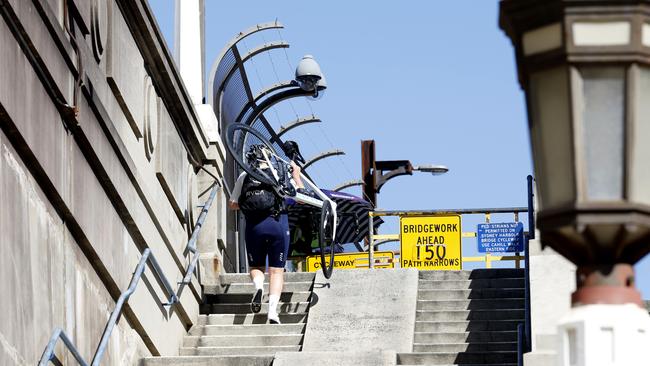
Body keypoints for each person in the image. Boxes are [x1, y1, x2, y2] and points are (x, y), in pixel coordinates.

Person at [229, 145, 304, 324]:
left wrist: (250, 205)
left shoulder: (245, 175)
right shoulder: (278, 173)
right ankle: (272, 312)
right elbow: (300, 195)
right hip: (278, 225)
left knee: (256, 267)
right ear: (268, 157)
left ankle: (258, 287)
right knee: (277, 271)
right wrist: (297, 176)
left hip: (254, 228)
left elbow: (232, 204)